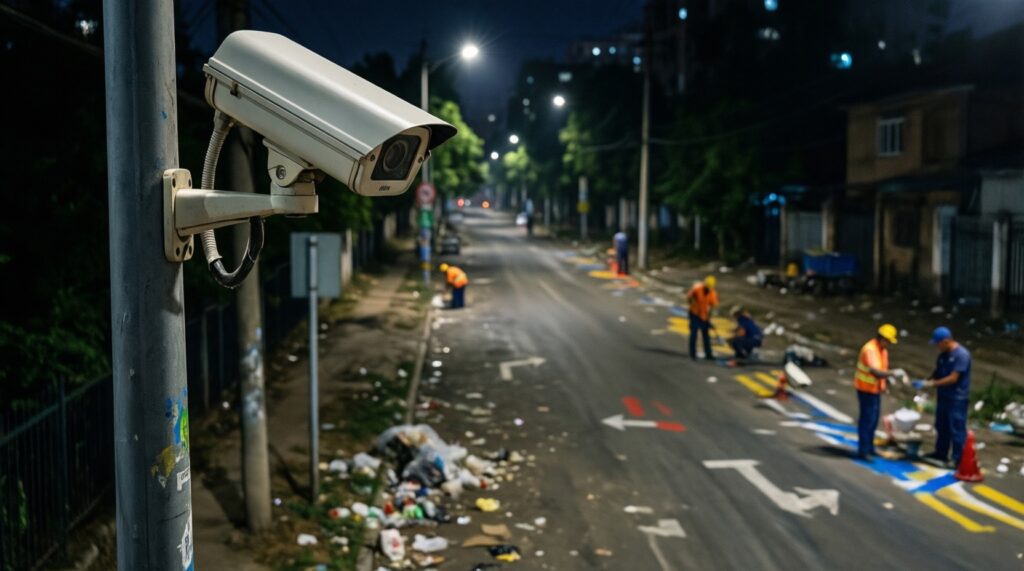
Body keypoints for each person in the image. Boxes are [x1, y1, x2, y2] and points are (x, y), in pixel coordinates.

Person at [920, 327, 972, 468]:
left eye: (938, 343)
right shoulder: (943, 355)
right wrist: (925, 381)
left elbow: (953, 378)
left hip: (957, 398)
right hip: (943, 396)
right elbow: (938, 372)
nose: (937, 347)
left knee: (956, 428)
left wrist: (932, 384)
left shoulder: (962, 355)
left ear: (946, 341)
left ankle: (957, 458)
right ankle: (940, 452)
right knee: (941, 425)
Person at [853, 324, 898, 461]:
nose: (889, 344)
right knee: (867, 420)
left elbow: (883, 369)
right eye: (888, 341)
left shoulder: (882, 350)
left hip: (875, 390)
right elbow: (876, 372)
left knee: (873, 421)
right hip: (865, 389)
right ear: (882, 338)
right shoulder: (870, 350)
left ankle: (869, 448)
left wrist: (887, 382)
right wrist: (893, 374)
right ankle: (863, 450)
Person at [687, 276, 719, 360]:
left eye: (709, 288)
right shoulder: (697, 288)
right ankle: (692, 353)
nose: (707, 289)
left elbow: (712, 306)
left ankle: (708, 354)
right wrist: (694, 305)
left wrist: (709, 317)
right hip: (694, 313)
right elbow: (689, 297)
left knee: (706, 334)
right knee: (694, 332)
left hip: (704, 315)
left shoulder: (712, 293)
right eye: (706, 287)